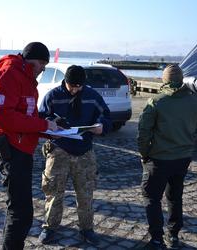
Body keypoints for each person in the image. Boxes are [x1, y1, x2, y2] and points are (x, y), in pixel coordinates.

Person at [0, 42, 58, 250]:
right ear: (30, 61)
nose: (43, 69)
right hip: (11, 149)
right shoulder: (9, 74)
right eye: (41, 64)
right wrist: (43, 124)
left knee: (21, 213)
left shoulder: (28, 80)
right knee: (21, 213)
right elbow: (1, 115)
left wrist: (50, 128)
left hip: (23, 149)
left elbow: (27, 117)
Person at [38, 65, 112, 245]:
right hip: (58, 151)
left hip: (84, 152)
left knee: (85, 194)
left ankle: (87, 229)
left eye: (78, 87)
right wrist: (49, 129)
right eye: (71, 86)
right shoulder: (53, 96)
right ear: (65, 81)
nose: (74, 90)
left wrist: (102, 126)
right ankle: (50, 228)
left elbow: (106, 117)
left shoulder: (92, 96)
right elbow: (40, 118)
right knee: (53, 192)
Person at [137, 64, 197, 250]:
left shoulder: (157, 102)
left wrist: (144, 155)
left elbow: (143, 134)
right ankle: (173, 234)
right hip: (183, 157)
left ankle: (157, 240)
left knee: (151, 197)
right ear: (181, 80)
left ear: (164, 80)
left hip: (159, 159)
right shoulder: (194, 102)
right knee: (175, 196)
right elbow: (196, 130)